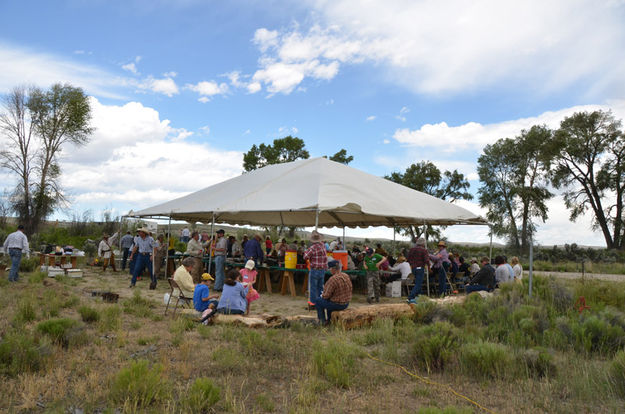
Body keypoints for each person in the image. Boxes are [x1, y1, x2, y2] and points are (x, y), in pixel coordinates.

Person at [315, 260, 352, 326]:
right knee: (330, 301)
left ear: (333, 269)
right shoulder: (346, 276)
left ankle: (322, 322)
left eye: (330, 268)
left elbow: (326, 296)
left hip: (337, 305)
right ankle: (330, 320)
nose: (329, 270)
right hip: (346, 303)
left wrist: (322, 294)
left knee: (318, 301)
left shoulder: (333, 279)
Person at [303, 230, 328, 307]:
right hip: (322, 270)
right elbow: (325, 258)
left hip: (314, 270)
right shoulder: (323, 246)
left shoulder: (313, 247)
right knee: (320, 288)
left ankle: (313, 304)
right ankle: (320, 303)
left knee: (313, 288)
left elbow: (305, 257)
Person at [406, 238, 429, 303]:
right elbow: (426, 260)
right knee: (418, 284)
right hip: (420, 268)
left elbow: (408, 259)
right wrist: (429, 268)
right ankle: (410, 297)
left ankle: (420, 297)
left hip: (413, 268)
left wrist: (412, 264)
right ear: (423, 243)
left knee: (417, 283)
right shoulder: (424, 250)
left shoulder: (412, 249)